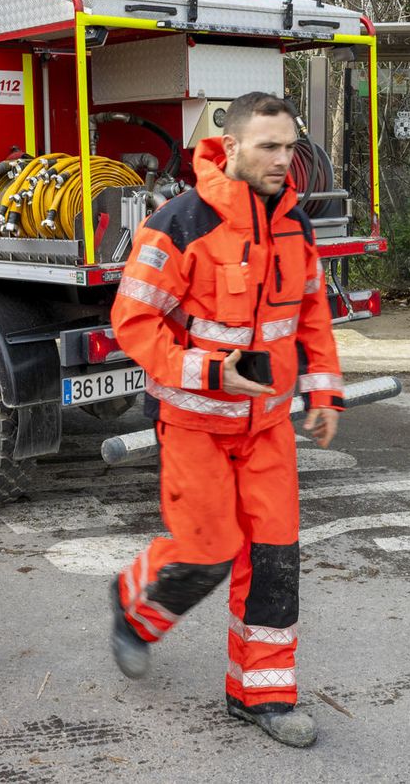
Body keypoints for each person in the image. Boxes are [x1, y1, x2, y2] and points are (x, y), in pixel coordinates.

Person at [105, 91, 343, 749]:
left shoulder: (295, 223)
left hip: (267, 427)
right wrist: (206, 370)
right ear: (230, 146)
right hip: (195, 423)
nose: (282, 159)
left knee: (273, 559)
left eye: (290, 146)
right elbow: (133, 322)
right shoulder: (181, 222)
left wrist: (323, 392)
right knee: (207, 551)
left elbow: (312, 313)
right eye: (268, 146)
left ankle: (262, 695)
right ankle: (134, 601)